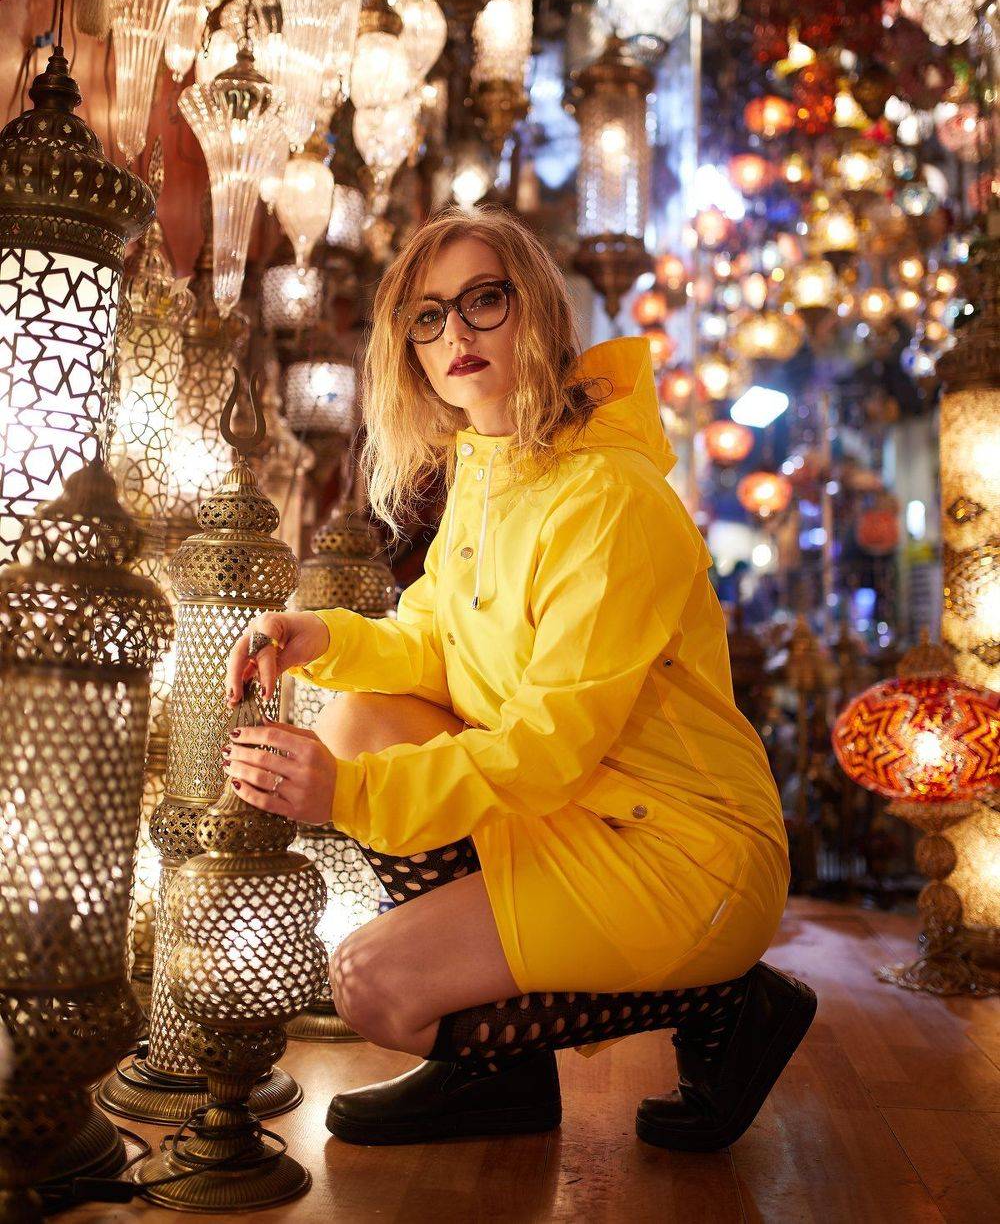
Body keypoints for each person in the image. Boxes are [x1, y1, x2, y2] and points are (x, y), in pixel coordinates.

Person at [225, 205, 816, 1152]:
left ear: (535, 310)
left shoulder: (609, 496)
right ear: (410, 349)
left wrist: (350, 795)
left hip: (683, 852)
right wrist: (317, 636)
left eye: (482, 301)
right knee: (363, 717)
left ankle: (726, 999)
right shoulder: (492, 468)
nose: (455, 332)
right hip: (583, 813)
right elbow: (440, 644)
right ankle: (499, 1078)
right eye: (428, 316)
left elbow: (547, 746)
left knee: (373, 987)